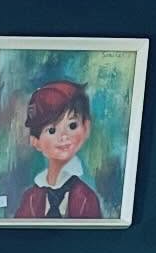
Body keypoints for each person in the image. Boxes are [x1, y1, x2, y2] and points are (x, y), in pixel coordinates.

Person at [14, 81, 103, 220]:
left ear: (86, 128)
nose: (63, 136)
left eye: (72, 125)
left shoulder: (87, 198)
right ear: (35, 141)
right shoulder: (30, 198)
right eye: (51, 130)